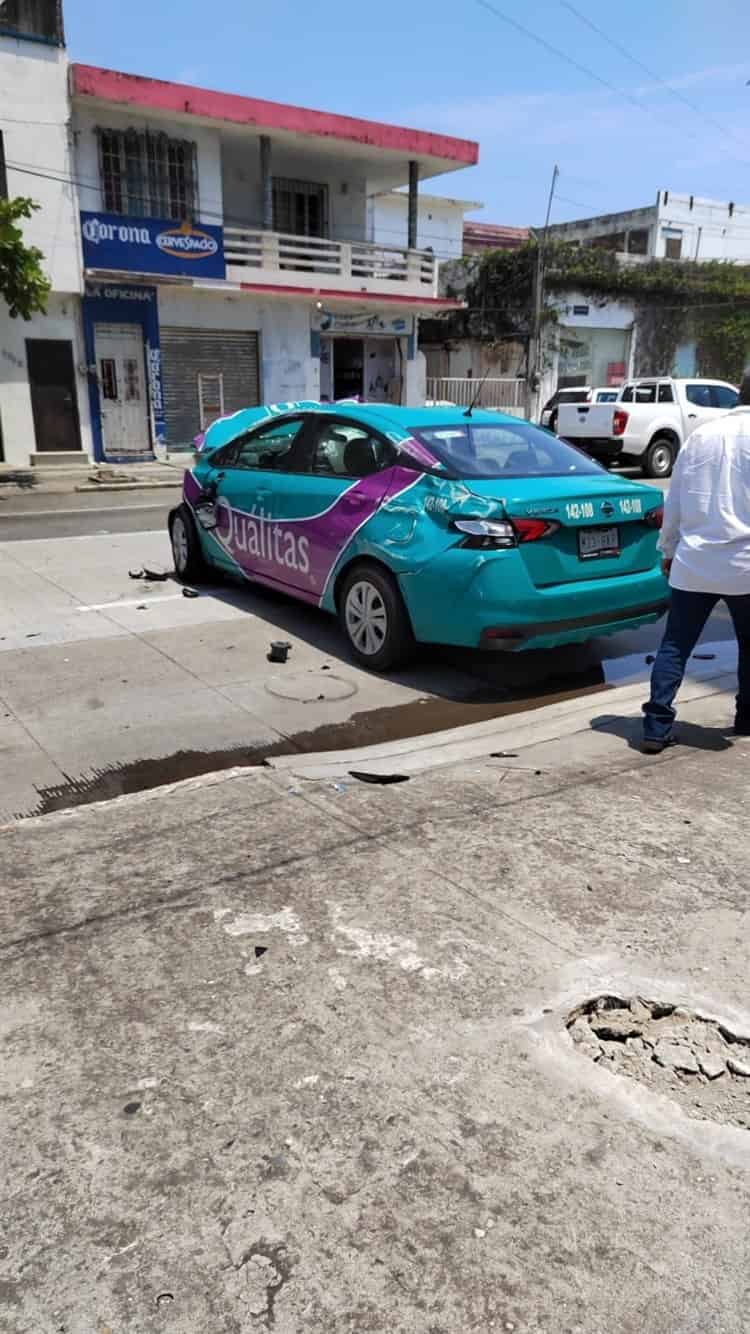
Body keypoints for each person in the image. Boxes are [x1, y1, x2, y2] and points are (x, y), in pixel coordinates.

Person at [642, 369, 750, 753]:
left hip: (695, 562)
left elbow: (675, 502)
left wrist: (668, 551)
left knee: (675, 646)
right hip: (745, 567)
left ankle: (655, 726)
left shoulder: (701, 436)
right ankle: (746, 716)